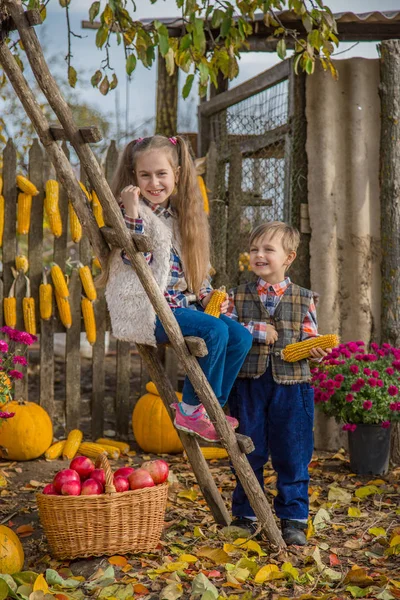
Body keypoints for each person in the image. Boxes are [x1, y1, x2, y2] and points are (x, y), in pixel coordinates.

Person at [104, 135, 253, 442]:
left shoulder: (178, 216)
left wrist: (207, 294)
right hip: (147, 309)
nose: (154, 183)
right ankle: (190, 409)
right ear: (134, 177)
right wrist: (132, 210)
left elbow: (190, 270)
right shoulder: (130, 213)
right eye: (145, 175)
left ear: (178, 175)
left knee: (240, 336)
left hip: (181, 306)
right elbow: (137, 261)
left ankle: (211, 407)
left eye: (162, 174)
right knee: (216, 332)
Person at [226, 221, 330, 546]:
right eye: (254, 249)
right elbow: (227, 329)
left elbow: (311, 338)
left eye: (268, 249)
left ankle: (293, 518)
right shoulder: (236, 296)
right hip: (249, 386)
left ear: (289, 257)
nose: (259, 255)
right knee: (249, 450)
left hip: (293, 386)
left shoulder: (304, 298)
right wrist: (256, 330)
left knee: (293, 453)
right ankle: (247, 514)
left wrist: (316, 352)